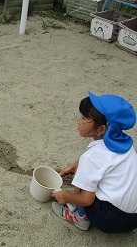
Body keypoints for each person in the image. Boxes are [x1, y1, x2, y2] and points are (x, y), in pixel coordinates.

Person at [52, 91, 137, 233]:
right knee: (83, 167)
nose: (79, 121)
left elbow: (87, 200)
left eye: (84, 118)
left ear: (101, 129)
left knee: (82, 182)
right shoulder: (126, 145)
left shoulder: (90, 157)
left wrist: (65, 196)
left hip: (110, 220)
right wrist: (75, 166)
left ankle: (80, 217)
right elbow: (103, 162)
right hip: (133, 219)